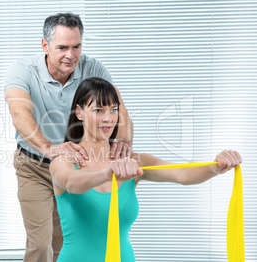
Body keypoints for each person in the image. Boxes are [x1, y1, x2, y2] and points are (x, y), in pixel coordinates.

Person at [49, 77, 242, 262]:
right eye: (98, 110)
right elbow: (71, 183)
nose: (108, 118)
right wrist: (106, 174)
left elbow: (181, 174)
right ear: (79, 112)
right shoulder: (64, 161)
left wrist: (216, 167)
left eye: (113, 110)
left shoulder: (132, 161)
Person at [4, 13, 133, 261]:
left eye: (76, 47)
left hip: (77, 162)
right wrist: (49, 148)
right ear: (45, 45)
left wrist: (124, 143)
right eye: (62, 47)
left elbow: (119, 107)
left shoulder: (93, 68)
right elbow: (19, 112)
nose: (71, 55)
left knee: (64, 241)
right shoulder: (22, 70)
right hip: (34, 165)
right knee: (40, 242)